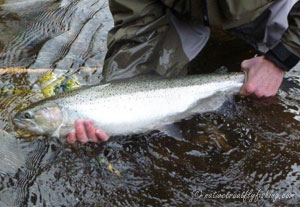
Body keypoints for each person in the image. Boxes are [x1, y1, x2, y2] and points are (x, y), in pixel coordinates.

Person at [67, 0, 300, 144]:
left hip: (271, 7)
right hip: (186, 10)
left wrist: (280, 59)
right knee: (133, 125)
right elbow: (135, 28)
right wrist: (120, 93)